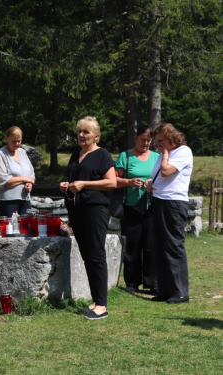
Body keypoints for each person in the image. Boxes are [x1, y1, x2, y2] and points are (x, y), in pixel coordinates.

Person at [59, 116, 116, 320]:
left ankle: (102, 305)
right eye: (80, 132)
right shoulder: (76, 155)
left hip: (95, 208)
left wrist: (85, 184)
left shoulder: (102, 155)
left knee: (96, 254)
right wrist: (67, 185)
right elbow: (76, 180)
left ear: (96, 136)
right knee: (87, 256)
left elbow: (111, 183)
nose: (82, 135)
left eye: (86, 132)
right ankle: (95, 301)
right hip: (77, 208)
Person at [145, 123, 193, 304]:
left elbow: (166, 172)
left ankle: (180, 292)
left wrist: (165, 155)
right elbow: (159, 175)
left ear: (171, 137)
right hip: (159, 200)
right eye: (157, 142)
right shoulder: (163, 155)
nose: (158, 145)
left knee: (173, 245)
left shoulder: (183, 152)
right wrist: (151, 183)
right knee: (159, 246)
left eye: (161, 141)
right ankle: (164, 290)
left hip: (174, 203)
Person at [115, 126, 159, 294]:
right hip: (131, 207)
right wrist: (129, 182)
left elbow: (163, 179)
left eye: (149, 140)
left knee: (151, 245)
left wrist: (152, 183)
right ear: (136, 138)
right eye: (143, 140)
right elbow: (114, 180)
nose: (146, 143)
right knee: (132, 246)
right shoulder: (125, 157)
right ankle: (132, 283)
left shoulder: (156, 157)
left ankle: (152, 282)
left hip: (151, 207)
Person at [0, 126, 35, 217]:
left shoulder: (22, 152)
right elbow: (2, 180)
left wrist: (30, 184)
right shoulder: (0, 154)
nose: (16, 143)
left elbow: (31, 174)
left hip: (25, 199)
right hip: (7, 201)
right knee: (10, 230)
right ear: (6, 139)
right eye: (14, 141)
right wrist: (25, 179)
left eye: (19, 141)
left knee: (27, 229)